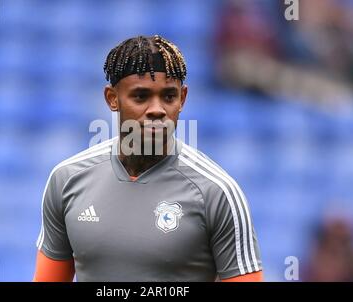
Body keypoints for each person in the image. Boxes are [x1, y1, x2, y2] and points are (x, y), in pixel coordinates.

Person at [33, 35, 263, 282]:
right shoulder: (67, 179)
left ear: (182, 99)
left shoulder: (217, 193)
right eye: (141, 96)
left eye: (169, 96)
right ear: (112, 98)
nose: (157, 109)